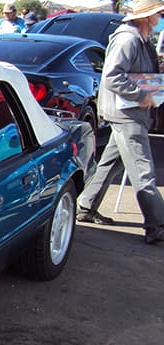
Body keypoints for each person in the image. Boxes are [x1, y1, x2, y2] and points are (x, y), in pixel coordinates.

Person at [76, 0, 164, 244]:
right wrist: (142, 95)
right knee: (142, 170)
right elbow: (113, 77)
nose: (161, 17)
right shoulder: (129, 39)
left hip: (129, 113)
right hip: (127, 114)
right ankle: (157, 225)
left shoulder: (139, 38)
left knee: (111, 163)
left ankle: (86, 205)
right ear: (147, 16)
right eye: (159, 12)